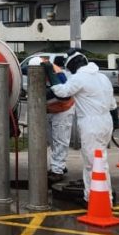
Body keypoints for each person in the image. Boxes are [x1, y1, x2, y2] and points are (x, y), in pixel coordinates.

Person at [50, 49, 118, 203]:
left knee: (92, 164)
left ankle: (97, 200)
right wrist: (116, 122)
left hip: (91, 125)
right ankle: (101, 196)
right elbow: (113, 105)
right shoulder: (103, 77)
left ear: (73, 65)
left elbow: (62, 93)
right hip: (106, 122)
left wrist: (50, 73)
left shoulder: (80, 77)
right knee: (100, 162)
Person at [45, 55, 74, 183]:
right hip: (51, 109)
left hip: (63, 109)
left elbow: (64, 95)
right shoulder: (32, 69)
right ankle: (59, 165)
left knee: (60, 139)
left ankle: (57, 171)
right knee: (53, 140)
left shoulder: (57, 74)